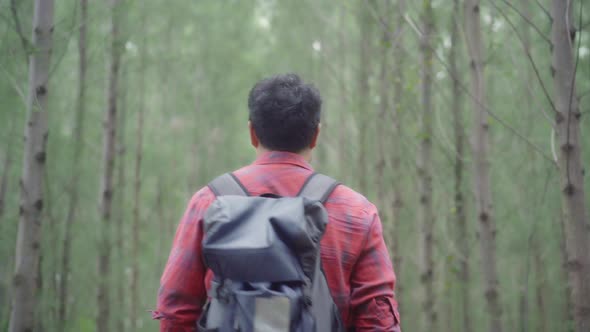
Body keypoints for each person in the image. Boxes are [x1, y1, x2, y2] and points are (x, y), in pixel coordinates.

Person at [153, 73, 401, 331]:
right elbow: (378, 322)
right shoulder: (356, 211)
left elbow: (175, 310)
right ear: (316, 135)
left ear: (252, 132)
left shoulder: (209, 202)